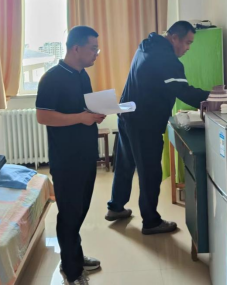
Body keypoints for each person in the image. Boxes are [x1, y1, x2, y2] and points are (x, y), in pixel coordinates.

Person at [106, 21, 210, 235]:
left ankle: (116, 207)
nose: (188, 48)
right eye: (187, 42)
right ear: (174, 38)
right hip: (144, 121)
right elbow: (184, 91)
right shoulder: (165, 58)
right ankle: (151, 221)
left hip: (127, 112)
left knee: (126, 163)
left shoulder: (147, 45)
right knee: (150, 170)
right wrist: (216, 97)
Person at [36, 26, 106, 285]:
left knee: (80, 209)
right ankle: (71, 269)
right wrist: (81, 118)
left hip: (86, 154)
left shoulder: (82, 75)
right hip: (66, 159)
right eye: (93, 48)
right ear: (76, 48)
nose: (96, 53)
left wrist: (95, 114)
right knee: (69, 212)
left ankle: (74, 255)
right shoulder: (52, 78)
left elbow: (81, 109)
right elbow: (43, 116)